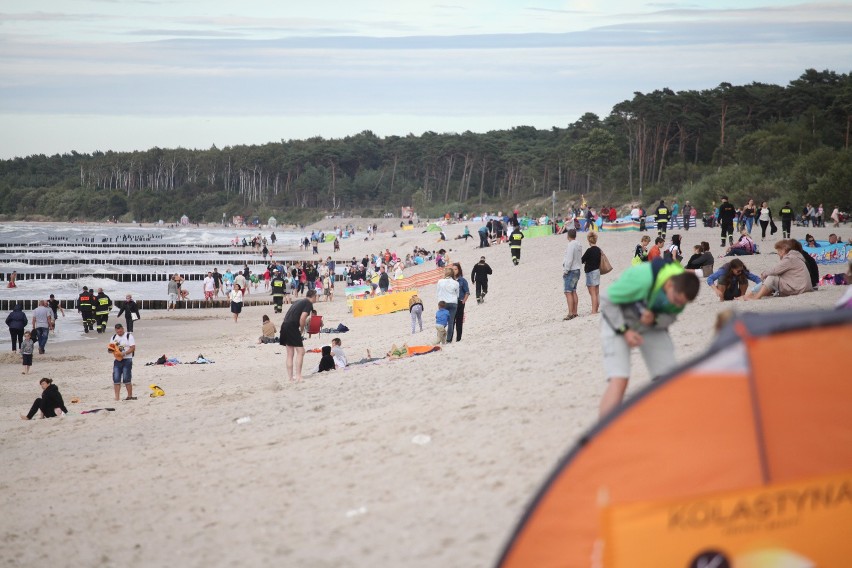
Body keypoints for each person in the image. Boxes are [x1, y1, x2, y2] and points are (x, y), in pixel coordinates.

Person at [598, 260, 701, 417]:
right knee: (620, 378)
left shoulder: (681, 295)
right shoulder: (643, 278)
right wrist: (625, 331)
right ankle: (603, 435)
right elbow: (606, 299)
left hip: (651, 324)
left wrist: (654, 320)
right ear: (670, 284)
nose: (677, 304)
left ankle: (664, 426)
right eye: (676, 299)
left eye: (682, 303)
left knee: (668, 377)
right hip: (618, 318)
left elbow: (671, 317)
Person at [745, 240, 812, 300]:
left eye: (778, 250)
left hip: (799, 288)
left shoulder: (790, 258)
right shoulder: (796, 257)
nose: (778, 253)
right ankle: (751, 294)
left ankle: (756, 297)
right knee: (772, 281)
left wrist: (764, 274)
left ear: (783, 250)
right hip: (804, 287)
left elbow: (775, 270)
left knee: (771, 277)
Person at [279, 289, 318, 383]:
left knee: (290, 353)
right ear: (313, 296)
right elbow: (303, 317)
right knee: (301, 351)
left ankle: (290, 378)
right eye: (316, 296)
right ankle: (298, 376)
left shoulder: (298, 301)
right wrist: (301, 329)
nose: (317, 298)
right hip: (292, 326)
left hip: (284, 325)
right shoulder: (308, 303)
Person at [110, 323, 136, 401]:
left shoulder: (129, 336)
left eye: (120, 331)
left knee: (126, 378)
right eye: (118, 332)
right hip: (117, 360)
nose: (119, 333)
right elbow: (111, 348)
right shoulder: (113, 337)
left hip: (127, 359)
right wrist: (113, 352)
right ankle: (117, 398)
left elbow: (133, 348)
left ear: (123, 329)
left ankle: (129, 396)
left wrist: (124, 353)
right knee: (116, 378)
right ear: (115, 331)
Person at [562, 228, 582, 320]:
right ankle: (575, 312)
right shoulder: (579, 244)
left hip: (571, 270)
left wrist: (566, 270)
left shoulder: (571, 245)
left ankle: (570, 313)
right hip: (577, 269)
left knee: (568, 291)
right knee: (573, 291)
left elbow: (569, 259)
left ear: (568, 236)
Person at [435, 267, 459, 342]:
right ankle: (449, 340)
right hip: (453, 302)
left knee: (441, 321)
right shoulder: (456, 282)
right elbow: (457, 295)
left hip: (443, 303)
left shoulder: (440, 281)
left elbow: (438, 292)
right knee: (451, 322)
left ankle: (440, 338)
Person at [581, 232, 602, 314]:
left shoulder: (589, 250)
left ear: (589, 240)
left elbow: (582, 260)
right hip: (597, 271)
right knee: (597, 292)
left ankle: (594, 311)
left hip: (590, 272)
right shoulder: (598, 250)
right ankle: (596, 309)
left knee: (592, 292)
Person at [451, 262, 470, 342]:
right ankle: (450, 338)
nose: (454, 271)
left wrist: (463, 301)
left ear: (459, 270)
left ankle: (458, 339)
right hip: (451, 303)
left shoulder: (462, 280)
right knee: (451, 321)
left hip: (460, 302)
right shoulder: (449, 280)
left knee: (459, 321)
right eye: (453, 269)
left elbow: (467, 292)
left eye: (456, 269)